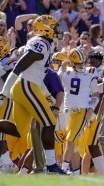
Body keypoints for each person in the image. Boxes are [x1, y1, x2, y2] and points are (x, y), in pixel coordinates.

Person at [0, 15, 66, 174]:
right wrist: (6, 90)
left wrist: (46, 95)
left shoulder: (43, 43)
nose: (57, 30)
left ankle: (50, 166)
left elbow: (37, 72)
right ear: (46, 29)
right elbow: (21, 65)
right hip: (25, 85)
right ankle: (51, 166)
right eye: (54, 27)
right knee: (49, 120)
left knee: (19, 131)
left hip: (27, 85)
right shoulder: (41, 43)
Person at [58, 48, 102, 174]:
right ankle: (73, 171)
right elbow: (57, 82)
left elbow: (95, 95)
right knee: (68, 141)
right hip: (67, 111)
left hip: (81, 110)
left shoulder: (91, 72)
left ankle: (64, 168)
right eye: (78, 63)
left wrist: (91, 109)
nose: (82, 66)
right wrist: (63, 67)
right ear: (71, 63)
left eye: (83, 63)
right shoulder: (66, 72)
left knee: (70, 139)